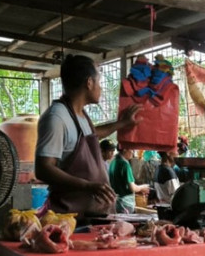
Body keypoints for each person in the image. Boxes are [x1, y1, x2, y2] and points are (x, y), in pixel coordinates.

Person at [35, 54, 141, 218]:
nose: (101, 88)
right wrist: (87, 186)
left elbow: (91, 135)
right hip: (70, 219)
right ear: (89, 83)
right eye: (99, 82)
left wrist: (122, 123)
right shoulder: (56, 118)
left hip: (92, 216)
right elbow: (43, 169)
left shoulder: (80, 115)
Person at [109, 145, 150, 213]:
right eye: (132, 150)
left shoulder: (113, 162)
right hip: (125, 204)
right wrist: (143, 187)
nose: (133, 152)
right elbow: (132, 188)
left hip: (116, 203)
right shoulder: (125, 165)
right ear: (125, 149)